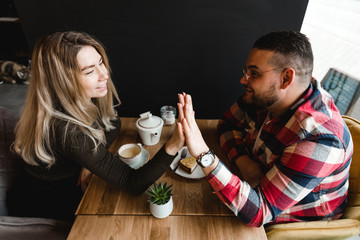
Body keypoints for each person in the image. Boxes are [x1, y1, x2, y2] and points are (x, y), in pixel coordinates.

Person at [177, 31, 353, 227]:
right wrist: (244, 162)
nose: (244, 80)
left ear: (286, 78)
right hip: (253, 189)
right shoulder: (268, 95)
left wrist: (203, 154)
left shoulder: (320, 139)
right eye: (247, 71)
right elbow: (227, 124)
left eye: (254, 73)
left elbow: (260, 212)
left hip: (293, 225)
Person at [7, 31, 185, 223]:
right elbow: (132, 183)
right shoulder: (67, 130)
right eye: (90, 71)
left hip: (68, 178)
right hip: (46, 202)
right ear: (63, 83)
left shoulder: (84, 97)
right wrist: (173, 145)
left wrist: (90, 159)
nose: (104, 74)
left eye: (101, 62)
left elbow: (113, 122)